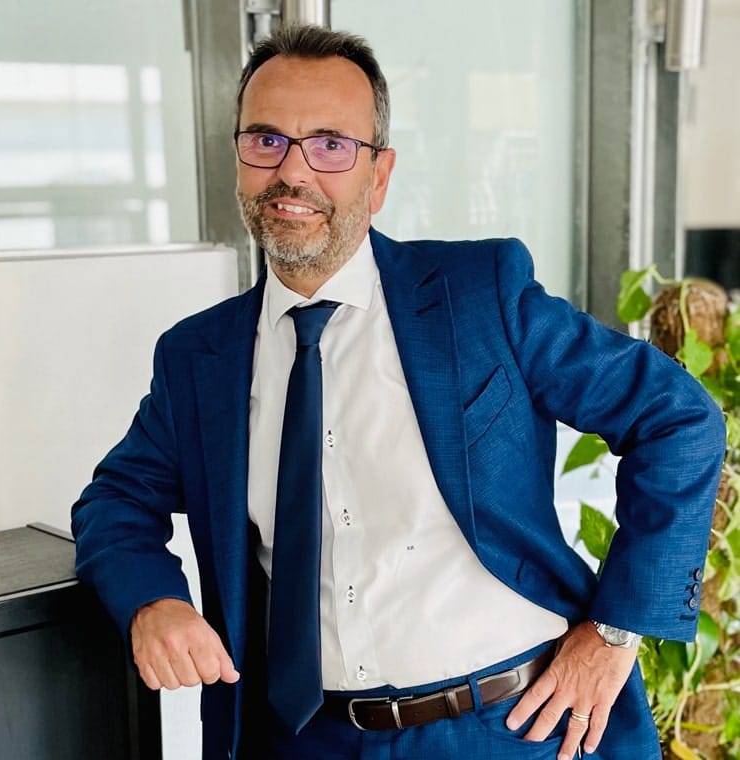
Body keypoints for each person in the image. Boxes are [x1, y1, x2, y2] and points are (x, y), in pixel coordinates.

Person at [71, 23, 726, 760]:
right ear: (240, 161)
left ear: (378, 175)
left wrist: (614, 632)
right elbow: (114, 501)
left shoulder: (480, 297)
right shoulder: (199, 356)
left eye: (330, 144)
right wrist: (154, 600)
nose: (293, 171)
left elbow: (677, 418)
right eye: (266, 140)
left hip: (512, 728)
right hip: (304, 742)